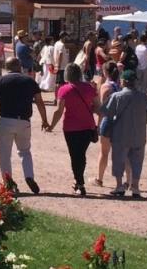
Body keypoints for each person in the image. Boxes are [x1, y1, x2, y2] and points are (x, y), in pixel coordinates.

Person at [0, 57, 50, 194]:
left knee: (4, 154)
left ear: (6, 67)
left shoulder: (0, 80)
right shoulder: (29, 81)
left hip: (5, 120)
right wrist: (44, 120)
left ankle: (8, 183)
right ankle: (29, 176)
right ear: (19, 66)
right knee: (25, 151)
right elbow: (39, 102)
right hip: (24, 121)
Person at [103, 65, 147, 198]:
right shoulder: (143, 97)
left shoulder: (116, 96)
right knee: (137, 161)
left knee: (118, 160)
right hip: (139, 135)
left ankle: (119, 186)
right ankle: (135, 187)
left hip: (120, 134)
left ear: (123, 81)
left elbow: (107, 114)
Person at [47, 63, 99, 196]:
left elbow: (59, 111)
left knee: (75, 155)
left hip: (71, 127)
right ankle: (79, 181)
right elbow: (98, 107)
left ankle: (79, 183)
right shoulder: (89, 88)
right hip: (87, 126)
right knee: (81, 154)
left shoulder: (64, 89)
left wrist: (51, 126)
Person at [94, 63, 126, 187]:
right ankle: (124, 181)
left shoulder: (105, 87)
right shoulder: (121, 86)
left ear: (105, 73)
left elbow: (102, 109)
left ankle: (99, 179)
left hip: (108, 121)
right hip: (120, 121)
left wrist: (98, 125)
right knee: (120, 153)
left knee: (104, 152)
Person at [52, 32, 70, 100]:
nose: (67, 38)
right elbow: (60, 55)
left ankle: (57, 98)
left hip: (60, 66)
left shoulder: (57, 43)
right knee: (59, 84)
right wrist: (58, 65)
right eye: (66, 37)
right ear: (63, 37)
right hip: (61, 67)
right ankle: (58, 98)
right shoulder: (61, 45)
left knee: (59, 83)